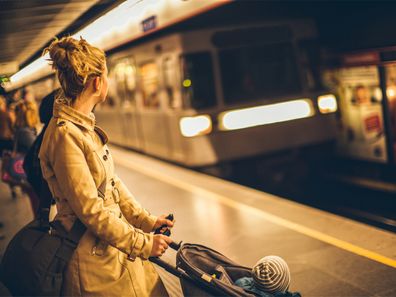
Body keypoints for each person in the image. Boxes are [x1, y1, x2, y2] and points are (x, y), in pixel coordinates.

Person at [39, 36, 173, 297]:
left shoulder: (82, 127)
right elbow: (90, 210)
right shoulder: (65, 137)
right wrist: (143, 243)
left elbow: (109, 184)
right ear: (98, 82)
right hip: (95, 263)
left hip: (114, 249)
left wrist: (145, 221)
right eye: (107, 76)